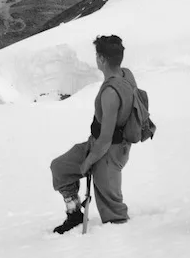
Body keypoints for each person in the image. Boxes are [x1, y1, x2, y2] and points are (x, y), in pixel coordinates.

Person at [50, 34, 136, 233]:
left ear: (102, 59)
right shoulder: (126, 75)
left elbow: (106, 138)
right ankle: (75, 214)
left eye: (97, 55)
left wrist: (88, 162)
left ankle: (115, 249)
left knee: (114, 215)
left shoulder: (110, 93)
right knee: (60, 168)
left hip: (109, 153)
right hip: (99, 145)